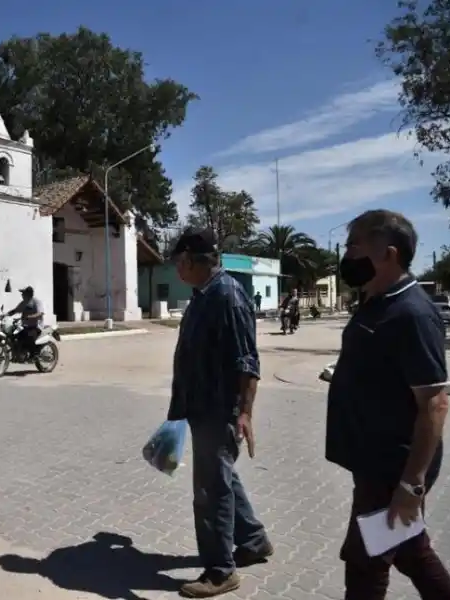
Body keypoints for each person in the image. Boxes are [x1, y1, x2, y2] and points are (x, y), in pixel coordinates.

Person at [327, 209, 450, 600]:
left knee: (366, 564)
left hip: (393, 469)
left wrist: (410, 484)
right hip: (374, 462)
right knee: (410, 552)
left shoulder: (411, 314)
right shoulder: (376, 302)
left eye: (353, 246)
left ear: (387, 254)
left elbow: (434, 404)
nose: (345, 255)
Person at [167, 227, 272, 598]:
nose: (177, 270)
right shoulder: (203, 295)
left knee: (211, 490)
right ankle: (254, 541)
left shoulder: (226, 296)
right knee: (223, 476)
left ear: (194, 261)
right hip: (201, 407)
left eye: (180, 262)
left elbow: (247, 361)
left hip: (219, 409)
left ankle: (220, 570)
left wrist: (244, 413)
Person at [7, 286, 44, 355]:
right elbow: (15, 310)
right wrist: (6, 314)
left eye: (23, 293)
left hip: (37, 326)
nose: (22, 295)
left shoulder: (36, 302)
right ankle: (19, 353)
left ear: (29, 294)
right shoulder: (24, 303)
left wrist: (29, 317)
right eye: (22, 293)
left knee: (28, 337)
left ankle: (34, 355)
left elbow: (40, 313)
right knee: (15, 335)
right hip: (26, 326)